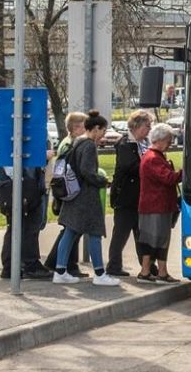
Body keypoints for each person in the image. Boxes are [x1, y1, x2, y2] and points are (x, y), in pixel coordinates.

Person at [52, 110, 120, 286]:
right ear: (96, 128)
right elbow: (87, 171)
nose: (104, 135)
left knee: (70, 232)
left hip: (74, 195)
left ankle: (60, 271)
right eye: (103, 130)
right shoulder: (89, 145)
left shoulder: (77, 142)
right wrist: (102, 181)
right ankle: (99, 274)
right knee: (95, 232)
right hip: (86, 197)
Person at [106, 109, 158, 277]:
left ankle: (147, 266)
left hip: (140, 196)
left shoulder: (144, 143)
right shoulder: (125, 144)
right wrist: (150, 167)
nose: (149, 129)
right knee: (121, 232)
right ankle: (114, 265)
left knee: (141, 233)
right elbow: (130, 167)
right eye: (147, 126)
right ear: (136, 126)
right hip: (126, 196)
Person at [44, 112, 88, 277]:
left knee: (72, 229)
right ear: (77, 128)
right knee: (71, 229)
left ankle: (68, 264)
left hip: (66, 191)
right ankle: (61, 263)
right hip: (70, 191)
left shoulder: (68, 142)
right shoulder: (71, 145)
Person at [137, 123, 182, 284]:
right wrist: (184, 172)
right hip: (156, 206)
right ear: (161, 140)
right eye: (169, 141)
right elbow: (168, 178)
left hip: (155, 205)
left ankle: (151, 272)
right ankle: (152, 272)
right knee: (157, 239)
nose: (170, 144)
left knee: (155, 238)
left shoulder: (151, 156)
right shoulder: (154, 158)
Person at [0, 158, 54, 280]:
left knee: (17, 226)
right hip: (23, 184)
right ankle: (27, 263)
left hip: (20, 183)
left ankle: (13, 265)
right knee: (26, 225)